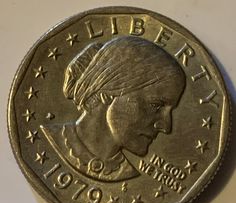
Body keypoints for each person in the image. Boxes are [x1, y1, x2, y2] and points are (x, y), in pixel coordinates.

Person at [41, 36, 186, 182]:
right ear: (108, 92)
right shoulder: (48, 140)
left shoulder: (128, 176)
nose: (166, 126)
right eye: (156, 105)